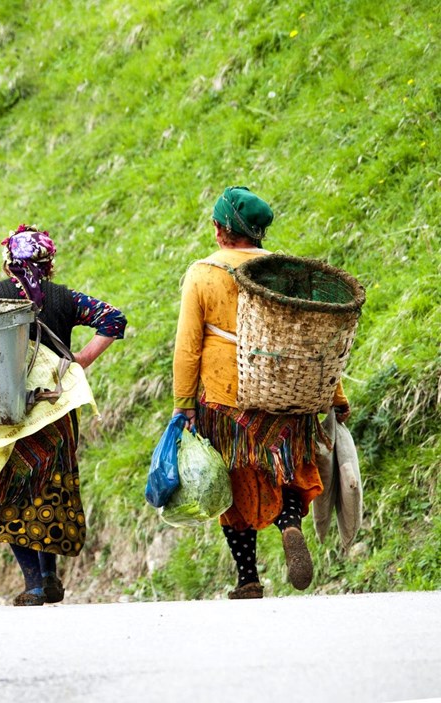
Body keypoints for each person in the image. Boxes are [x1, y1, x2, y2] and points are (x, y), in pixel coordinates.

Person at [172, 186, 350, 599]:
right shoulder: (284, 273)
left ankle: (247, 578)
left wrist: (184, 404)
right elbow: (316, 341)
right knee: (286, 472)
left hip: (224, 396)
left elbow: (187, 346)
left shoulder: (203, 273)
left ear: (220, 229)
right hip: (285, 391)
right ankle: (289, 523)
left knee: (233, 484)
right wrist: (334, 395)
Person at [0, 225, 127, 606]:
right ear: (50, 264)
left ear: (9, 262)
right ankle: (49, 575)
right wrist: (78, 362)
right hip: (55, 411)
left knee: (8, 491)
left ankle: (33, 583)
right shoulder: (63, 298)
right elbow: (114, 319)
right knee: (50, 490)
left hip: (6, 412)